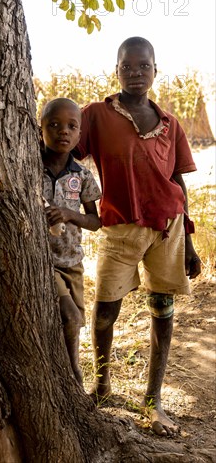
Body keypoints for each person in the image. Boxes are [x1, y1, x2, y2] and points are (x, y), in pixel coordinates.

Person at [74, 36, 202, 436]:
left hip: (167, 229)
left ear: (154, 71)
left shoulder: (169, 123)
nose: (135, 73)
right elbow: (61, 148)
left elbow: (177, 182)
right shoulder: (95, 115)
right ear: (116, 71)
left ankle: (153, 398)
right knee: (105, 311)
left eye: (143, 66)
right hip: (119, 228)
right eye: (127, 66)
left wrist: (191, 243)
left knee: (162, 309)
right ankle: (102, 384)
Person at [41, 98, 101, 384]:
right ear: (39, 129)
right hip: (42, 261)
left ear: (79, 135)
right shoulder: (27, 168)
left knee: (73, 322)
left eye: (71, 126)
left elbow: (95, 222)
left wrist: (68, 213)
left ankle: (64, 369)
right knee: (69, 316)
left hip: (72, 262)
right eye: (53, 125)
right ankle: (74, 374)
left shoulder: (83, 176)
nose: (62, 131)